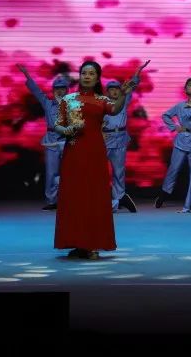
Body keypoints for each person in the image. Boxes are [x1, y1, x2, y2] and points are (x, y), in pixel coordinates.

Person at [52, 59, 146, 260]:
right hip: (73, 153)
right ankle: (77, 243)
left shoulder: (102, 100)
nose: (87, 76)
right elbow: (57, 124)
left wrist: (123, 94)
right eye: (84, 73)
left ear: (97, 79)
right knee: (74, 198)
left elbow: (116, 110)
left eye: (91, 74)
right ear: (79, 76)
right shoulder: (68, 99)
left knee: (94, 197)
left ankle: (92, 244)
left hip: (94, 152)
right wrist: (67, 130)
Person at [17, 65, 68, 210]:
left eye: (62, 88)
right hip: (51, 141)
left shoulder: (73, 105)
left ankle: (68, 199)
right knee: (51, 172)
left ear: (67, 90)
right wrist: (27, 76)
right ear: (53, 91)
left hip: (67, 141)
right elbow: (37, 91)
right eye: (57, 89)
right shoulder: (48, 104)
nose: (60, 91)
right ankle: (52, 200)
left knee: (69, 172)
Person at [155, 78, 191, 207]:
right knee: (174, 168)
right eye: (190, 85)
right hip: (182, 140)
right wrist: (175, 127)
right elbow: (165, 115)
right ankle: (164, 194)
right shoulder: (180, 106)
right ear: (185, 89)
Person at [104, 80, 139, 213]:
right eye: (111, 89)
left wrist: (137, 75)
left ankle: (118, 199)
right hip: (105, 139)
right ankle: (99, 197)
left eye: (117, 89)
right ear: (107, 91)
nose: (114, 91)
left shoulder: (123, 100)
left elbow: (132, 86)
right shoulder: (102, 103)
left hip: (120, 139)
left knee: (119, 172)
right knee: (99, 170)